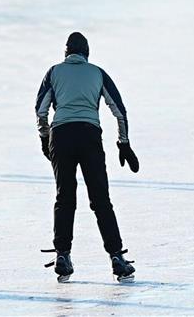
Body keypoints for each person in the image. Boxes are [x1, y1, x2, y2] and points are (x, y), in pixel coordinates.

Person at [35, 32, 140, 283]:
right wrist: (123, 143)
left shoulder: (54, 72)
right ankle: (117, 257)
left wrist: (45, 138)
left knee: (64, 196)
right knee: (100, 198)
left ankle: (63, 254)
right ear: (87, 53)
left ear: (66, 52)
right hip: (89, 135)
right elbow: (119, 111)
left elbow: (41, 110)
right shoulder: (97, 73)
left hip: (61, 136)